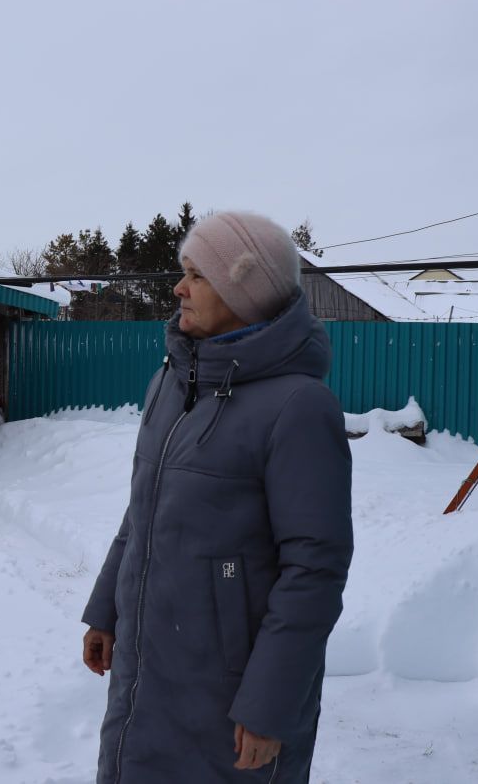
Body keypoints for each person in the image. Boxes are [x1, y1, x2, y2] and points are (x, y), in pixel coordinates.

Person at [80, 211, 353, 783]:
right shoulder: (172, 382)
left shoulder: (298, 406)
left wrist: (270, 704)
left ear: (244, 291)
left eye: (197, 275)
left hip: (230, 698)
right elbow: (143, 508)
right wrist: (107, 608)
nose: (178, 288)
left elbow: (315, 569)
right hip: (147, 669)